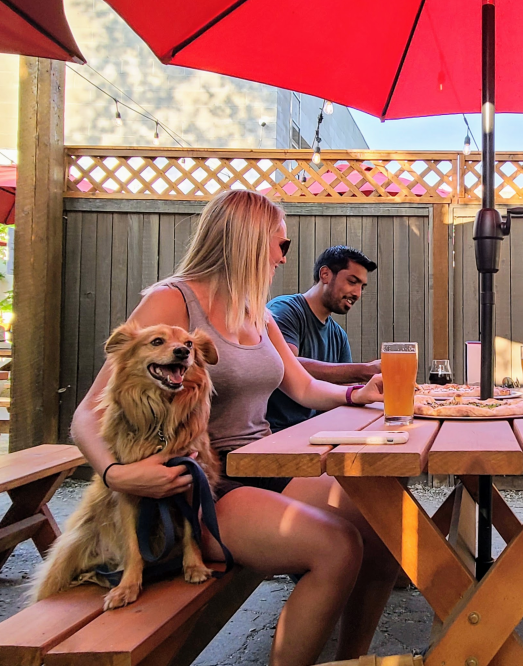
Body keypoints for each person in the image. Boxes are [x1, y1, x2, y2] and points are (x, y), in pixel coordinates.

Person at [69, 190, 400, 666]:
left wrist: (357, 393)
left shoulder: (256, 310)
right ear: (246, 241)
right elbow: (87, 414)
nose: (284, 259)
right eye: (280, 246)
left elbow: (303, 387)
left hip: (266, 461)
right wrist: (114, 474)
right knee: (338, 548)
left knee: (387, 524)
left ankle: (350, 658)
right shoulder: (173, 300)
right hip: (208, 481)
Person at [266, 245, 381, 432]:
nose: (357, 294)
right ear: (325, 274)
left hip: (320, 432)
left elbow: (347, 392)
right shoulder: (285, 310)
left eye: (362, 287)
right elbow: (285, 365)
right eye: (352, 282)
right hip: (277, 433)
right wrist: (365, 370)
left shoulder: (338, 335)